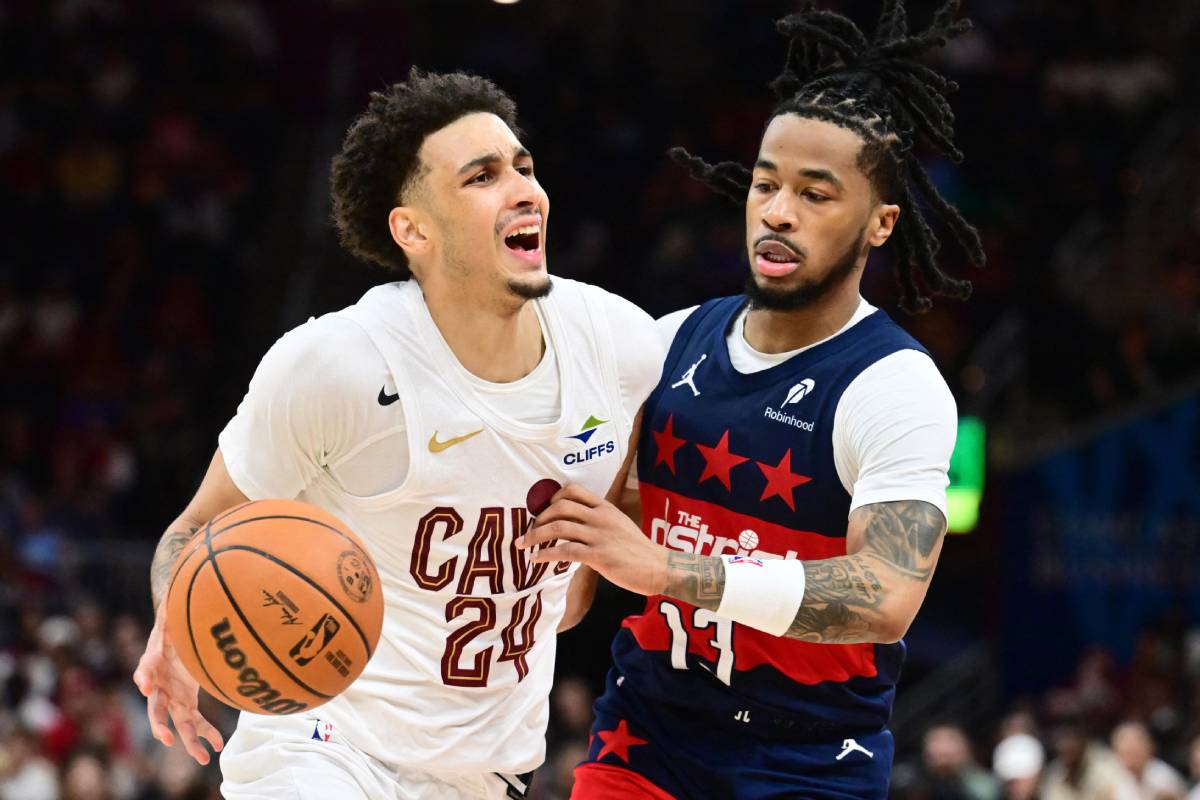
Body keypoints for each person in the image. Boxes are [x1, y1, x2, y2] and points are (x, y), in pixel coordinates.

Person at [131, 69, 663, 799]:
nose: (523, 190)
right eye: (481, 176)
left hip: (489, 768)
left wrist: (593, 564)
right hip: (321, 745)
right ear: (413, 230)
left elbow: (577, 590)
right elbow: (196, 527)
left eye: (524, 167)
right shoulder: (336, 365)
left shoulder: (621, 345)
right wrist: (178, 615)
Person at [518, 2, 985, 797]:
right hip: (646, 734)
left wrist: (666, 569)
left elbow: (885, 597)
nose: (776, 212)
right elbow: (584, 575)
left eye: (815, 194)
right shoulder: (664, 343)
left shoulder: (895, 385)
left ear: (880, 224)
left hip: (808, 758)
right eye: (766, 184)